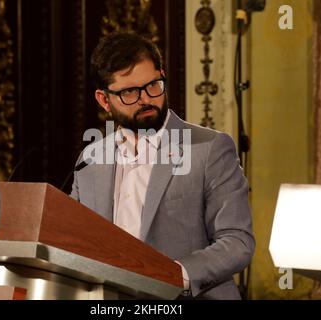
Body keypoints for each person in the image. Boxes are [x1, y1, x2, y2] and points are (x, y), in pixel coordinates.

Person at [70, 32, 255, 299]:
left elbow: (238, 242)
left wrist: (172, 275)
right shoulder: (90, 160)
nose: (146, 99)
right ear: (103, 99)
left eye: (153, 85)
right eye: (130, 92)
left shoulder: (210, 148)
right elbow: (69, 237)